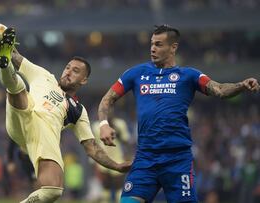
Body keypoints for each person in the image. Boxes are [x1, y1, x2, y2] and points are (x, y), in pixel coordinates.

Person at [0, 5, 131, 203]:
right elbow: (14, 52)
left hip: (42, 138)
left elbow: (92, 148)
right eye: (67, 67)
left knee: (53, 191)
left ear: (83, 80)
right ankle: (4, 66)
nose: (68, 72)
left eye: (75, 71)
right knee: (19, 87)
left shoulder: (78, 111)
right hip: (21, 117)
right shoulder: (44, 75)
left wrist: (117, 165)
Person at [97, 24, 260, 203]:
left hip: (177, 159)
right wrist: (104, 125)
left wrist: (241, 85)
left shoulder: (189, 75)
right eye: (152, 43)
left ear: (173, 47)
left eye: (159, 44)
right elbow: (107, 99)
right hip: (145, 158)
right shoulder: (136, 73)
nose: (152, 48)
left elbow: (219, 90)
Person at [91, 113, 132, 203]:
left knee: (118, 185)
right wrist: (93, 161)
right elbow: (93, 144)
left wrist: (128, 156)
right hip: (103, 159)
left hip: (118, 158)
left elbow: (126, 141)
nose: (108, 113)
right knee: (106, 186)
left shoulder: (120, 124)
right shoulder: (96, 126)